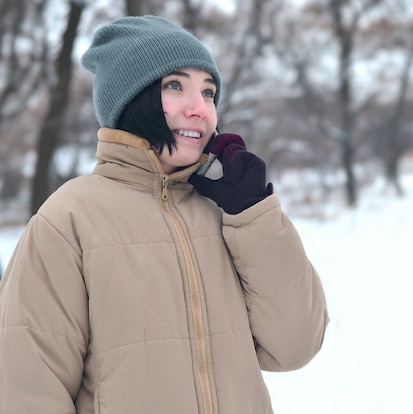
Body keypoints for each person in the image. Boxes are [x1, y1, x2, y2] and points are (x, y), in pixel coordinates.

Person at [0, 15, 328, 413]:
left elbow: (295, 347)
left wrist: (254, 214)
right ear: (130, 100)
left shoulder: (228, 210)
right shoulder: (68, 220)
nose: (200, 109)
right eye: (175, 86)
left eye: (208, 93)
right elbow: (28, 390)